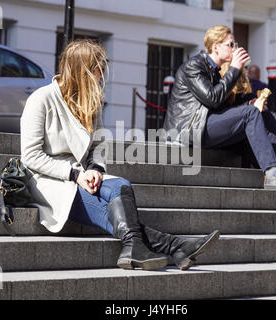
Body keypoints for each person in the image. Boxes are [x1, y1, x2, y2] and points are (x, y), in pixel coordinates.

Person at [20, 39, 220, 271]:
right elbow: (31, 156)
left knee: (121, 185)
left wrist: (95, 169)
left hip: (82, 172)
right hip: (47, 180)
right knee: (108, 213)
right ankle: (176, 246)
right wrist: (75, 175)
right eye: (97, 72)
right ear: (79, 71)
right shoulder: (41, 99)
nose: (99, 79)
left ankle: (139, 248)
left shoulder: (90, 102)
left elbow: (98, 146)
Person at [162, 25, 276, 191]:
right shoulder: (194, 66)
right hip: (189, 130)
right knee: (250, 114)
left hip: (206, 126)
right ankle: (272, 175)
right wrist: (235, 69)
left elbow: (222, 105)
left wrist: (249, 102)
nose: (235, 48)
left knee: (263, 115)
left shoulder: (214, 71)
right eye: (230, 44)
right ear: (215, 47)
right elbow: (212, 99)